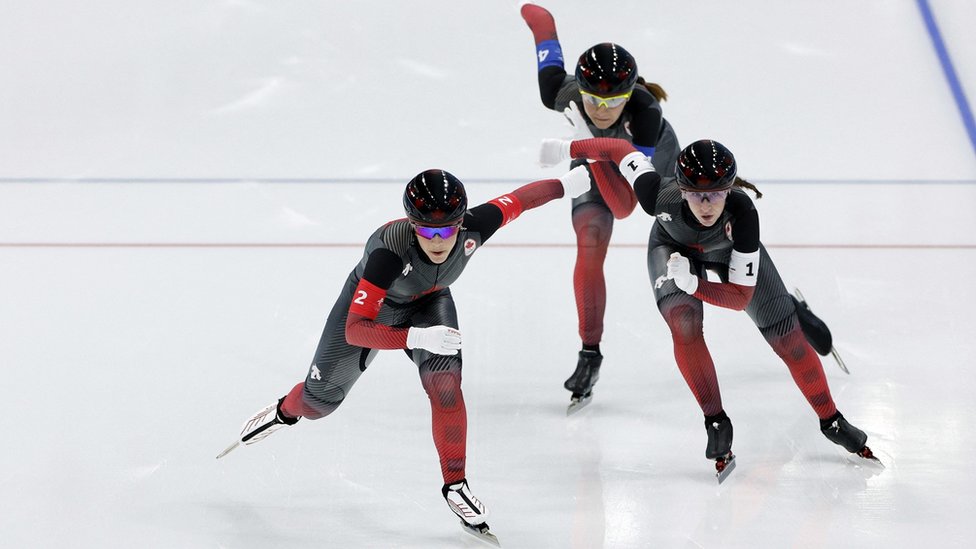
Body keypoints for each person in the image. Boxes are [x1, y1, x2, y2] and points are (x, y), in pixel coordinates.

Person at [218, 166, 591, 541]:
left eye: (448, 229)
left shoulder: (474, 228)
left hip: (430, 303)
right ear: (413, 226)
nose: (439, 239)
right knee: (320, 404)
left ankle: (455, 485)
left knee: (446, 385)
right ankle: (285, 411)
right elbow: (355, 329)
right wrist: (415, 337)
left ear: (462, 223)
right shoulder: (388, 252)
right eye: (428, 230)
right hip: (372, 313)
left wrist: (565, 185)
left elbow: (521, 201)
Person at [539, 136, 877, 477]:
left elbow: (740, 298)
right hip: (671, 248)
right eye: (697, 195)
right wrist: (566, 148)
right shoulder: (657, 194)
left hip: (727, 254)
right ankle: (716, 422)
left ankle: (831, 419)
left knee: (786, 337)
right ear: (681, 190)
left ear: (729, 190)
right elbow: (618, 150)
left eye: (715, 194)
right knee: (683, 322)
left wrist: (694, 284)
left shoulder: (743, 215)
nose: (706, 204)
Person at [520, 3, 681, 410]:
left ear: (629, 96)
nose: (601, 110)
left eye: (613, 102)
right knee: (589, 243)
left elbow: (627, 204)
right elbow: (542, 27)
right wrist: (537, 18)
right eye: (593, 99)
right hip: (591, 151)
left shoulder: (645, 116)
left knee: (701, 243)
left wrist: (587, 148)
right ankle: (589, 353)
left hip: (644, 163)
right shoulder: (561, 91)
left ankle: (785, 309)